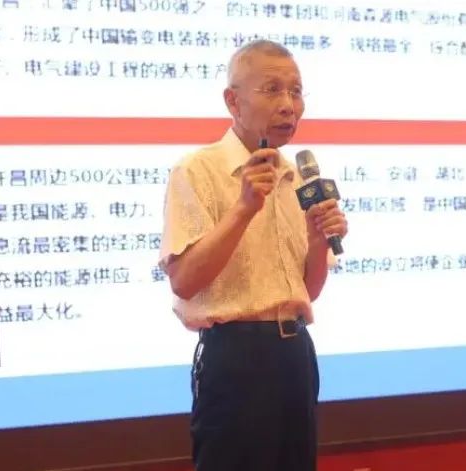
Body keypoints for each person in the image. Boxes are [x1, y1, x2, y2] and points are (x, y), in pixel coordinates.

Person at [158, 39, 348, 471]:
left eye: (296, 91)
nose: (288, 105)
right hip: (235, 357)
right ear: (233, 101)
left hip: (295, 354)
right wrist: (244, 208)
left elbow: (308, 291)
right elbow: (183, 281)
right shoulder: (197, 170)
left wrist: (319, 240)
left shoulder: (295, 176)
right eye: (272, 90)